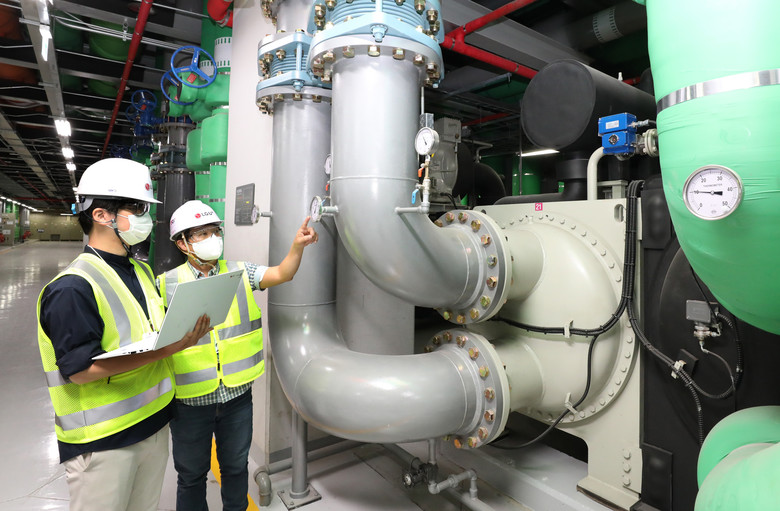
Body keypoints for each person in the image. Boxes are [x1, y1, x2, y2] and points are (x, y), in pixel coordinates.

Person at [37, 159, 212, 511]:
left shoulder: (140, 271)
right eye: (137, 208)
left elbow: (148, 333)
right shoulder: (73, 287)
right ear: (101, 215)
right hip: (103, 442)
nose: (146, 217)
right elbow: (79, 370)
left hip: (153, 424)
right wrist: (170, 349)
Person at [159, 200, 318, 511]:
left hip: (236, 397)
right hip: (190, 401)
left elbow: (282, 273)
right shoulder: (164, 285)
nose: (212, 238)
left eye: (215, 231)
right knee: (191, 476)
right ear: (182, 243)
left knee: (235, 468)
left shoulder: (240, 272)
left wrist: (297, 247)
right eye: (201, 234)